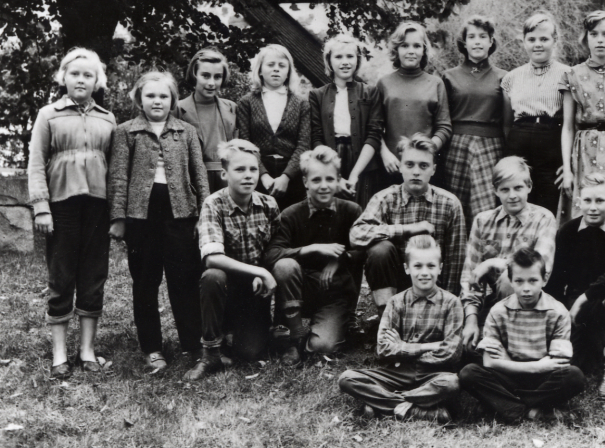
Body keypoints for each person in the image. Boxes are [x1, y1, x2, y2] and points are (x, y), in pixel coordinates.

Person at [108, 71, 209, 373]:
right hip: (142, 217)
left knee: (184, 280)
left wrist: (204, 214)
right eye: (150, 95)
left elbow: (199, 174)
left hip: (181, 215)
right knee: (145, 281)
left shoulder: (186, 131)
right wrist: (118, 217)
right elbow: (118, 177)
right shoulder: (126, 132)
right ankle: (152, 347)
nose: (157, 101)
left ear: (173, 100)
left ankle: (192, 343)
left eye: (163, 96)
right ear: (139, 100)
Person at [27, 48, 117, 380]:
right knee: (61, 277)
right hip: (61, 207)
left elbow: (115, 169)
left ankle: (87, 351)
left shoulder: (107, 119)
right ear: (63, 77)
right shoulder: (48, 115)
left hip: (98, 208)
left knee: (93, 277)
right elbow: (36, 164)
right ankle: (59, 354)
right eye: (75, 73)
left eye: (88, 75)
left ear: (97, 81)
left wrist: (116, 214)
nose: (81, 80)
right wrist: (41, 207)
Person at [338, 235, 463, 423]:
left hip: (433, 374)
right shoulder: (396, 302)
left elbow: (451, 353)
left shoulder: (452, 303)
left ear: (440, 268)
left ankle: (384, 404)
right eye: (417, 266)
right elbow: (383, 349)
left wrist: (402, 347)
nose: (424, 272)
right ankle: (419, 409)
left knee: (452, 383)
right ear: (407, 268)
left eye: (431, 266)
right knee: (347, 378)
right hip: (396, 373)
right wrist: (428, 346)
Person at [185, 140, 280, 380]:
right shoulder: (213, 204)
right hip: (225, 288)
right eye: (239, 169)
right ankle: (211, 352)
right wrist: (258, 271)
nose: (248, 175)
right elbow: (212, 258)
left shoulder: (268, 204)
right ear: (224, 174)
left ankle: (242, 332)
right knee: (212, 276)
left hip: (254, 291)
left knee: (250, 353)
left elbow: (275, 249)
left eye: (253, 169)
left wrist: (262, 272)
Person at [459, 248, 586, 424]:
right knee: (468, 373)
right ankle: (533, 410)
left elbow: (557, 363)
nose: (526, 288)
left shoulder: (557, 312)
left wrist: (508, 361)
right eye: (519, 281)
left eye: (533, 280)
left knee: (574, 376)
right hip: (509, 377)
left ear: (544, 279)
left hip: (542, 379)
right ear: (510, 281)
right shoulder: (498, 311)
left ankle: (507, 406)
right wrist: (536, 366)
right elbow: (489, 362)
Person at [350, 134, 466, 321]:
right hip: (396, 283)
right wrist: (405, 229)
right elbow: (356, 234)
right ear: (401, 166)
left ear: (433, 169)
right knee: (380, 249)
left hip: (432, 284)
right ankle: (387, 318)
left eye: (423, 166)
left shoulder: (450, 204)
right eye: (410, 165)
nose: (416, 172)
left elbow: (456, 260)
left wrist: (447, 305)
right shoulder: (385, 198)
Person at [265, 145, 363, 365]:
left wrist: (339, 259)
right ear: (305, 182)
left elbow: (363, 249)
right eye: (316, 180)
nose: (324, 186)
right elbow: (272, 254)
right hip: (299, 291)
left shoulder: (351, 211)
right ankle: (294, 337)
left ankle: (336, 323)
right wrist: (310, 248)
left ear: (338, 180)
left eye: (330, 179)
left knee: (322, 347)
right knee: (284, 265)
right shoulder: (291, 214)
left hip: (334, 293)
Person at [544, 174, 605, 398]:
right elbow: (557, 279)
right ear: (578, 202)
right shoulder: (567, 231)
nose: (593, 207)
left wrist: (583, 299)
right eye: (587, 201)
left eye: (600, 201)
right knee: (576, 363)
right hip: (576, 304)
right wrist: (560, 313)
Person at [460, 156, 558, 351]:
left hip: (530, 305)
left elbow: (538, 269)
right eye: (505, 189)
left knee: (509, 278)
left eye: (518, 188)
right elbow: (470, 277)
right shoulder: (482, 221)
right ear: (495, 190)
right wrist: (471, 320)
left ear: (529, 187)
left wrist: (492, 263)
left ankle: (516, 341)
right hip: (492, 305)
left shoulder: (543, 219)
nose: (512, 195)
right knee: (465, 347)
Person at [559, 10, 605, 219]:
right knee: (583, 208)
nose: (600, 40)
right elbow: (567, 127)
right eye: (594, 34)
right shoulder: (572, 75)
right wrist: (567, 169)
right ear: (586, 38)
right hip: (583, 152)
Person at [365, 21, 452, 189]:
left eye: (417, 46)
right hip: (392, 165)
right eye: (405, 45)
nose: (411, 51)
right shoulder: (384, 83)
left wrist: (426, 153)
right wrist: (384, 154)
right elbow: (374, 127)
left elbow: (444, 127)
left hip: (424, 167)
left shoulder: (435, 83)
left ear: (424, 50)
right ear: (396, 49)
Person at [501, 11, 571, 216]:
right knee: (518, 198)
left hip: (551, 144)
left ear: (555, 40)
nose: (537, 44)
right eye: (531, 39)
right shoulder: (511, 78)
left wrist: (568, 164)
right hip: (519, 144)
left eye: (544, 39)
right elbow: (507, 124)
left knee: (548, 204)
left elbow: (570, 124)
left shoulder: (568, 74)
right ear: (524, 41)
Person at [441, 16, 507, 227]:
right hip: (457, 147)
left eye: (483, 36)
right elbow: (443, 119)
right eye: (471, 37)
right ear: (464, 42)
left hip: (491, 147)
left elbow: (507, 122)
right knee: (456, 206)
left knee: (486, 208)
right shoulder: (448, 76)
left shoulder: (504, 77)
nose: (477, 41)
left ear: (491, 41)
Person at [308, 34, 381, 209]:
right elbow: (316, 136)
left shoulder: (370, 92)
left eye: (350, 56)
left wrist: (355, 174)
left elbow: (374, 134)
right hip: (329, 160)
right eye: (339, 57)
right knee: (333, 214)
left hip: (363, 161)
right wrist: (335, 174)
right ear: (329, 61)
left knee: (362, 212)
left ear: (357, 59)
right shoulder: (317, 95)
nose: (345, 62)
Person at [236, 44, 311, 212]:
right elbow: (245, 143)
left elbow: (304, 144)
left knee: (290, 221)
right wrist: (263, 176)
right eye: (270, 65)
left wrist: (286, 177)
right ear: (260, 70)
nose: (276, 69)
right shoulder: (246, 102)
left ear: (289, 72)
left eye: (282, 65)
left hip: (292, 175)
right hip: (257, 174)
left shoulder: (301, 104)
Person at [176, 47, 237, 193]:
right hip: (193, 180)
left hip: (227, 180)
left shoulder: (232, 108)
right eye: (205, 75)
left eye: (217, 77)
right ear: (194, 74)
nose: (211, 83)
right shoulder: (178, 109)